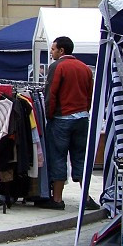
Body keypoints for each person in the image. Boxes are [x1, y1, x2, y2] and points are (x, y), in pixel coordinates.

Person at [43, 36, 94, 211]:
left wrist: (49, 116)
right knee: (80, 157)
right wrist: (84, 110)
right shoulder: (85, 68)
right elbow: (89, 94)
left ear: (61, 50)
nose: (51, 51)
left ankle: (57, 199)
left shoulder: (57, 67)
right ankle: (86, 197)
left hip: (62, 118)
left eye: (53, 48)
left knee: (58, 157)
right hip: (82, 117)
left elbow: (51, 95)